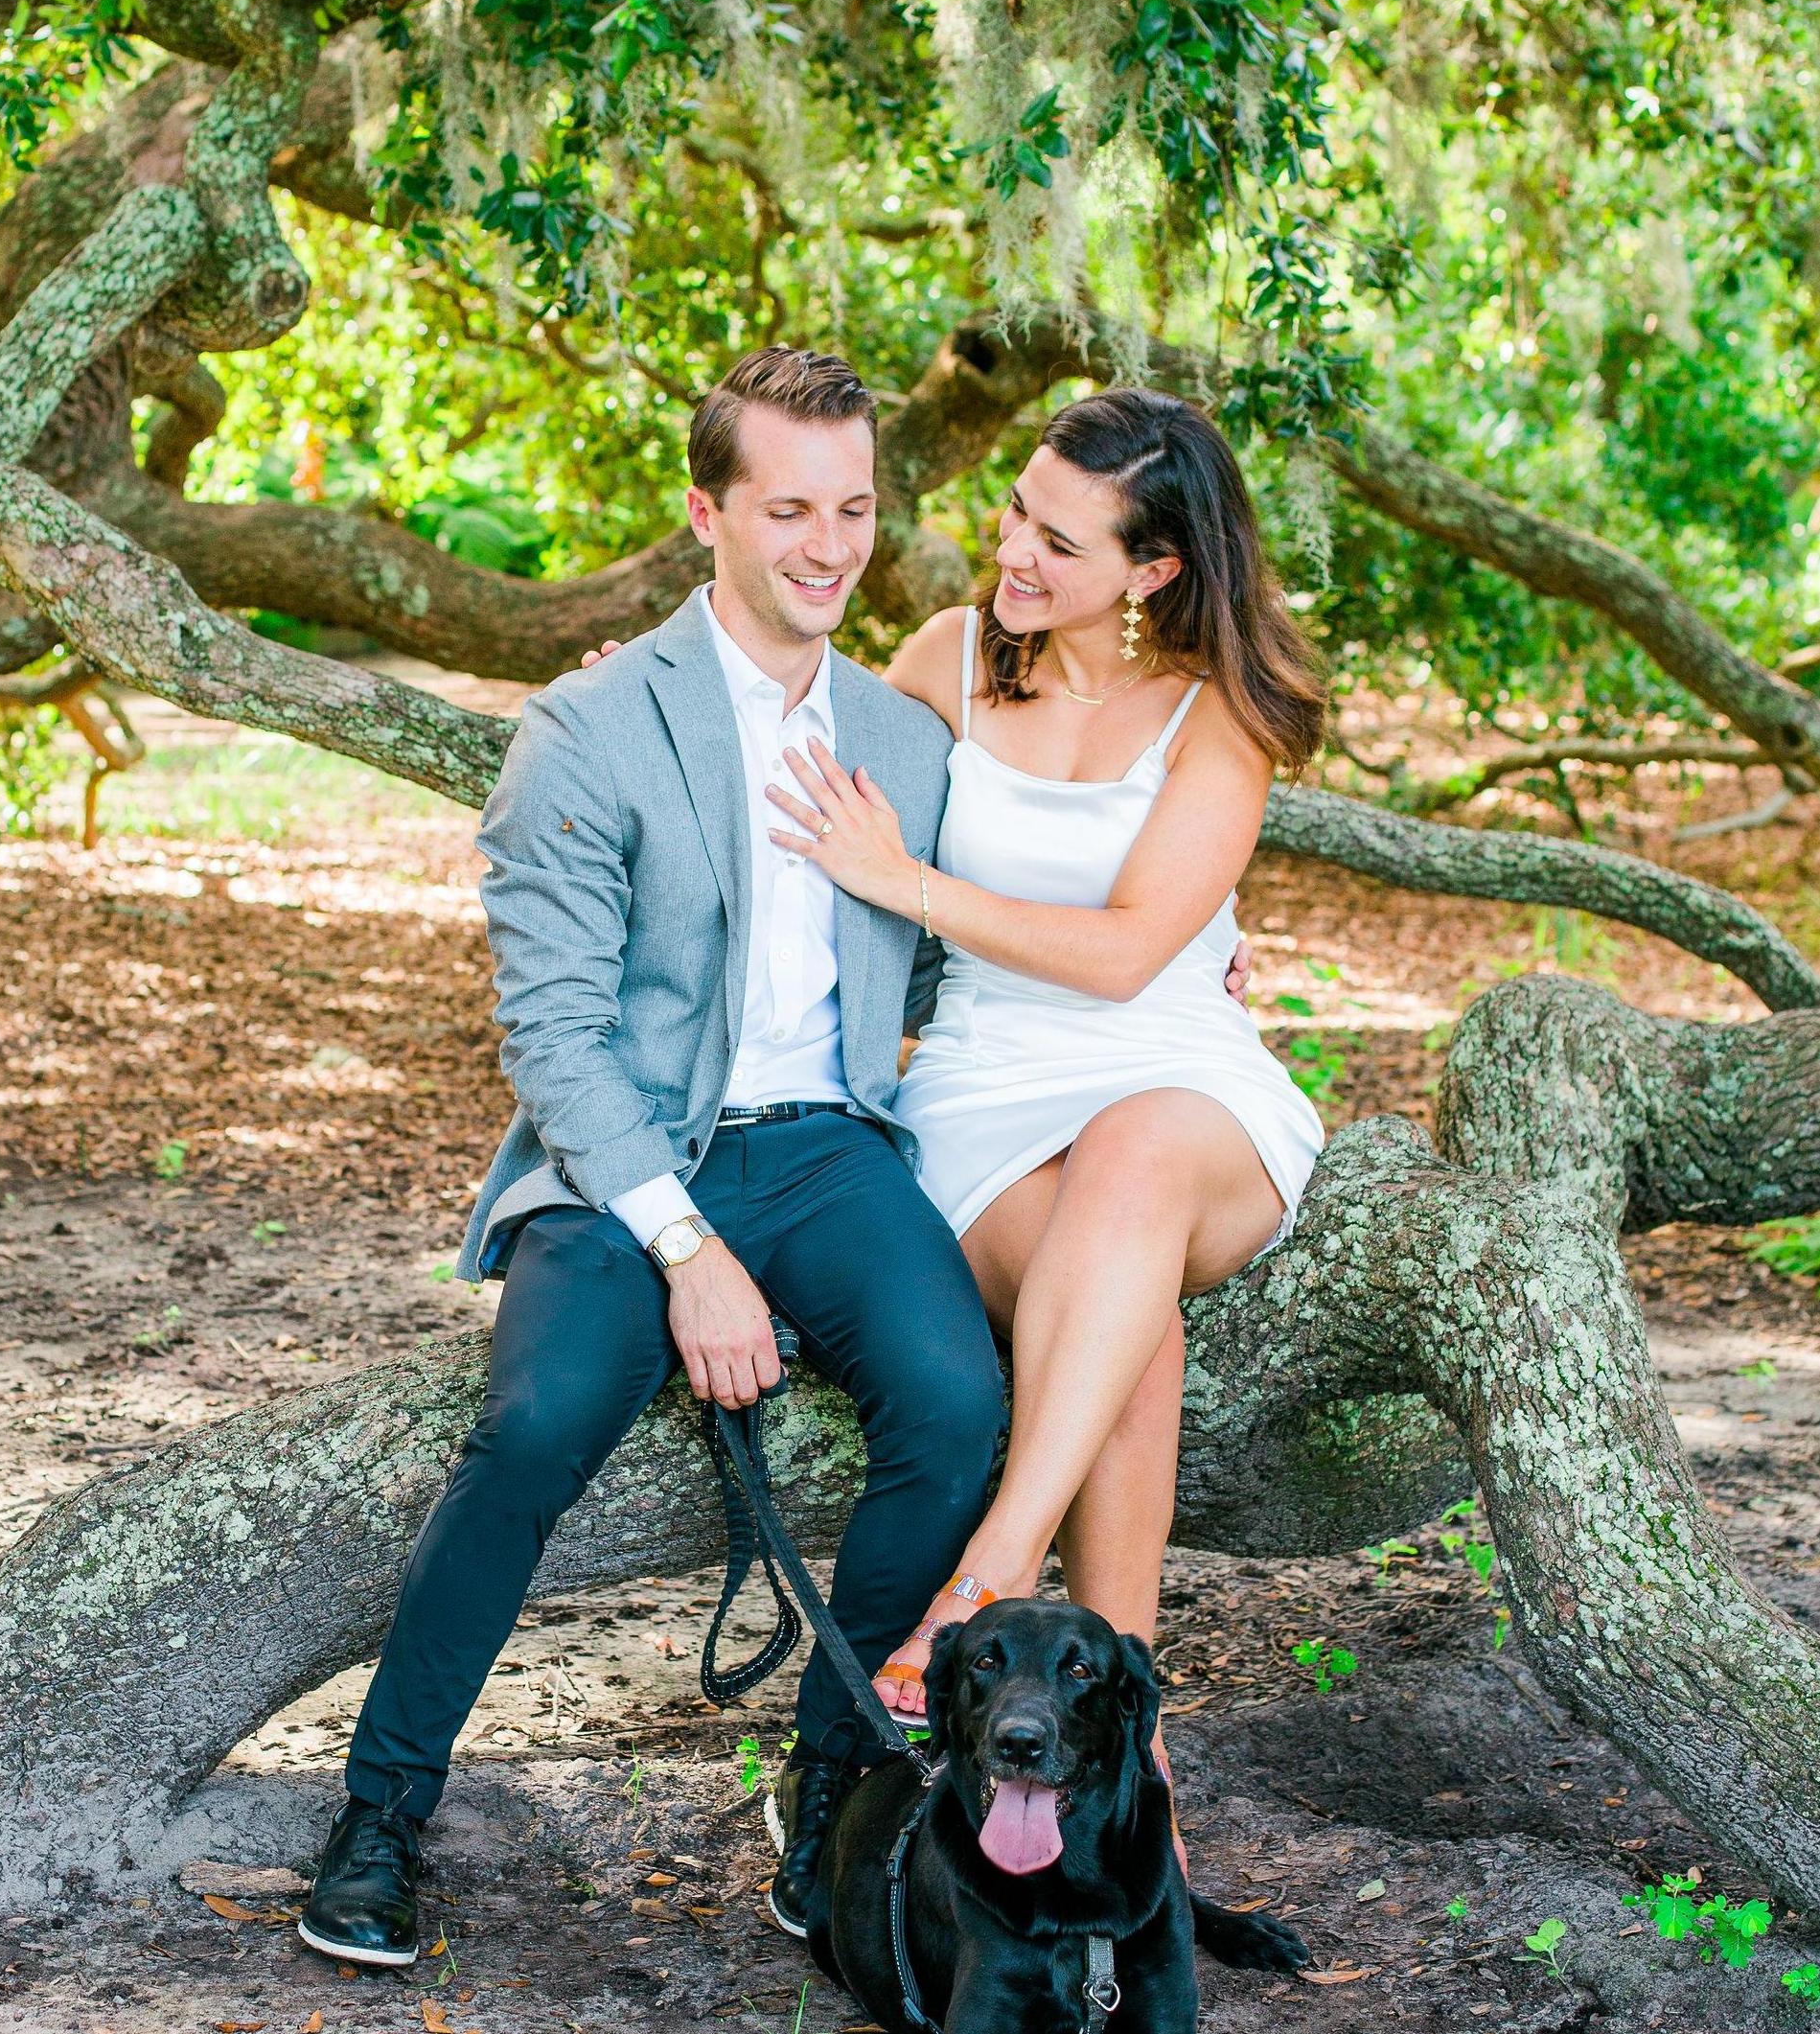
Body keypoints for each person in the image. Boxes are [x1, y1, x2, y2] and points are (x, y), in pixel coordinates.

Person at [297, 347, 1008, 1969]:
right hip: (622, 1160)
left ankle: (830, 1806)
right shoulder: (589, 728)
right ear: (706, 512)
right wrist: (687, 1250)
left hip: (828, 1154)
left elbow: (957, 954)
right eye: (786, 510)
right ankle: (383, 1811)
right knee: (534, 1424)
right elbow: (552, 1035)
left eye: (854, 507)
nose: (828, 546)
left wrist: (1189, 972)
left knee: (956, 1402)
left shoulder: (905, 746)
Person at [761, 386, 1328, 1834]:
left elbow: (1136, 949)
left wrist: (922, 887)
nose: (1011, 551)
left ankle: (992, 1570)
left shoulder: (1219, 715)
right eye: (1015, 508)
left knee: (1132, 1158)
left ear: (1150, 570)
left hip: (1179, 1071)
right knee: (1128, 1332)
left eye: (1058, 542)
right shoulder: (947, 657)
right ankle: (1124, 1742)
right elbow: (790, 756)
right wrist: (639, 694)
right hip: (983, 1081)